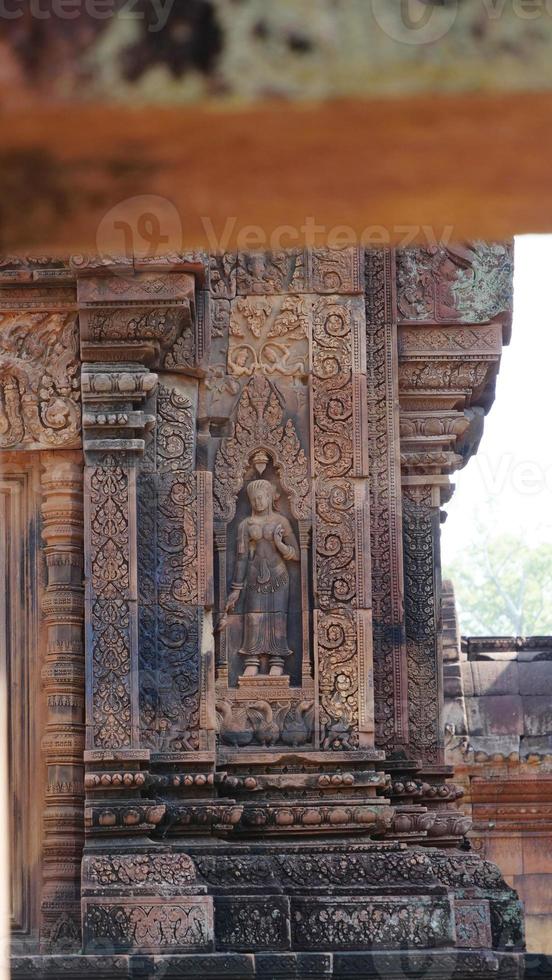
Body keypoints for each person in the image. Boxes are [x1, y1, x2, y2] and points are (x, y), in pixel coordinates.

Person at [225, 479, 299, 677]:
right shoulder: (244, 525)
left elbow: (297, 554)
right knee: (253, 617)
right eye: (254, 499)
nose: (257, 502)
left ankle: (277, 659)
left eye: (261, 497)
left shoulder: (281, 522)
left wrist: (280, 543)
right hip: (255, 575)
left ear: (269, 497)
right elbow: (241, 558)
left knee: (278, 617)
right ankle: (252, 660)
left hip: (279, 575)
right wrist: (236, 589)